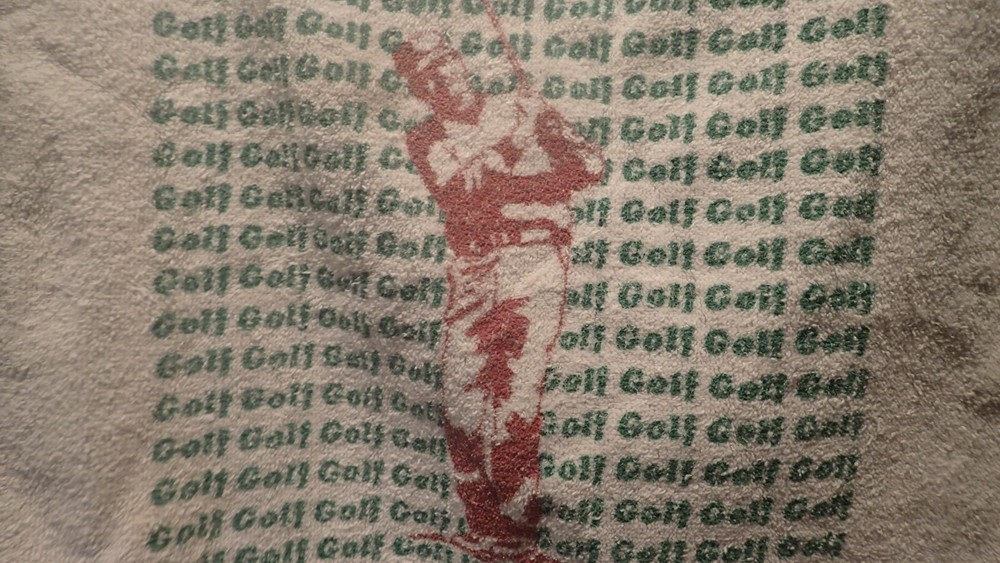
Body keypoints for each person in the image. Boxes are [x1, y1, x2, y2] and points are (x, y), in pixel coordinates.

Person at [393, 33, 605, 562]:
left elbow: (589, 169)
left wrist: (552, 129)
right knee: (460, 398)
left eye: (443, 63)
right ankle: (485, 529)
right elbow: (465, 187)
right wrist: (520, 148)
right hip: (473, 268)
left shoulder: (524, 108)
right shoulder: (426, 138)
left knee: (514, 398)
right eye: (423, 76)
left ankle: (517, 535)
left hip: (534, 261)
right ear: (417, 89)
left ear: (460, 62)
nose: (438, 79)